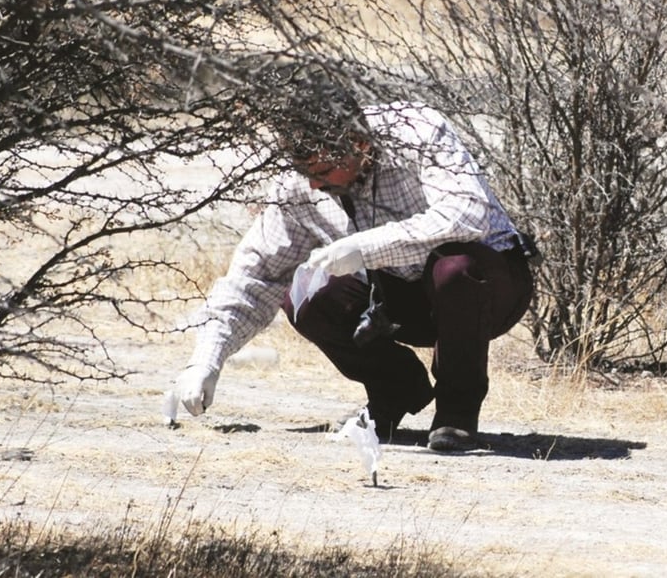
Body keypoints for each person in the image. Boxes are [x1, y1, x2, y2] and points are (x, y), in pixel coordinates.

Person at [173, 75, 537, 451]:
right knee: (304, 294)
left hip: (488, 287)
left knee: (455, 268)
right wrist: (206, 362)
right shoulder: (297, 185)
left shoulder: (418, 130)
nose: (313, 185)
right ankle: (395, 389)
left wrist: (367, 247)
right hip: (397, 298)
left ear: (360, 143)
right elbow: (256, 274)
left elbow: (468, 214)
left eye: (323, 172)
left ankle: (456, 412)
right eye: (304, 171)